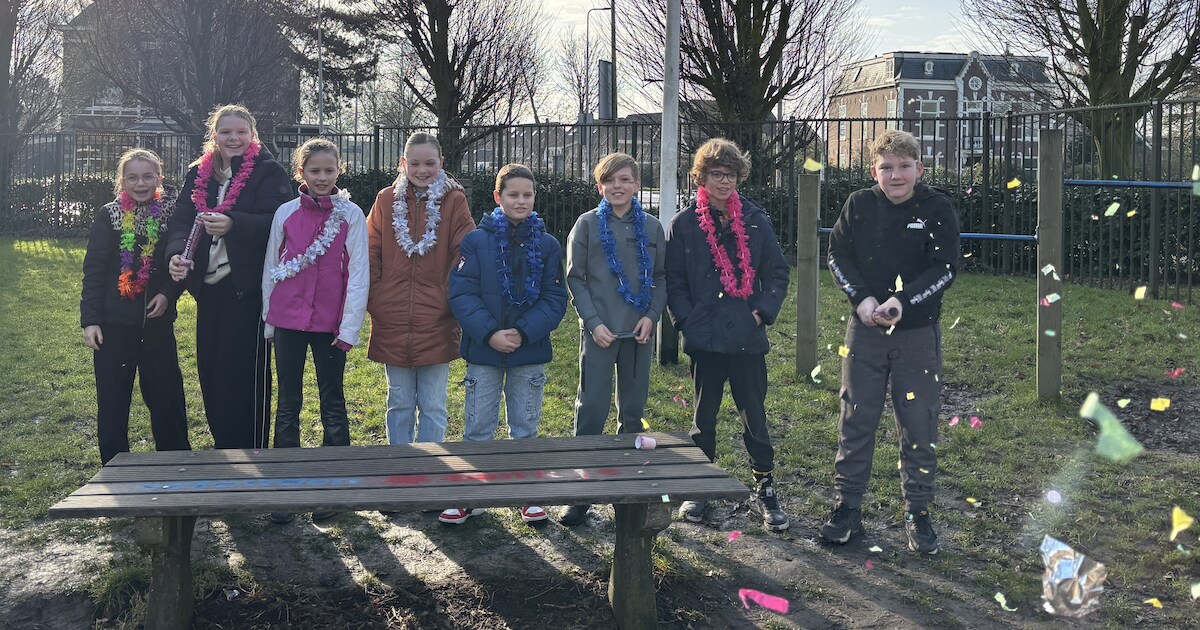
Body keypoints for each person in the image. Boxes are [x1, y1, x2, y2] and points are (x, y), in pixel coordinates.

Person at [819, 129, 960, 554]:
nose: (895, 175)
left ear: (919, 168)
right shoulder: (859, 205)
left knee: (918, 422)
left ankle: (918, 512)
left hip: (917, 335)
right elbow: (837, 255)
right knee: (856, 418)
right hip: (865, 333)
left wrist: (902, 302)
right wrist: (862, 300)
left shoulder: (937, 208)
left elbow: (945, 268)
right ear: (873, 171)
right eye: (886, 167)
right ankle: (847, 508)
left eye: (903, 166)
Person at [665, 138, 791, 531]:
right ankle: (699, 487)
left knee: (754, 414)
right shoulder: (684, 225)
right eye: (716, 174)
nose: (724, 182)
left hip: (747, 338)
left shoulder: (755, 219)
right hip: (706, 339)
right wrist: (687, 321)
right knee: (704, 417)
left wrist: (761, 313)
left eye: (731, 175)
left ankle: (766, 488)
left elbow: (777, 272)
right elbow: (674, 280)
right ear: (701, 177)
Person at [446, 163, 568, 525]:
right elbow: (462, 293)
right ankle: (472, 494)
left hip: (529, 352)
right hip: (484, 352)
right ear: (497, 197)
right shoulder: (476, 241)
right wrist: (490, 333)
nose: (520, 201)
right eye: (512, 195)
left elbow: (554, 297)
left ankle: (526, 492)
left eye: (527, 195)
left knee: (525, 426)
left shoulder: (547, 245)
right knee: (478, 426)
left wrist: (524, 332)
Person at [166, 104, 292, 449]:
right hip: (208, 290)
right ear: (214, 137)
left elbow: (280, 223)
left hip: (246, 290)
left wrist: (235, 223)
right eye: (226, 132)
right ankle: (225, 448)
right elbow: (180, 219)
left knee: (246, 376)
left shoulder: (268, 172)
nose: (233, 138)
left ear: (253, 135)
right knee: (212, 373)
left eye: (241, 131)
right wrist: (176, 254)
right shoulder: (199, 174)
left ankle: (252, 450)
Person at [261, 139, 368, 524]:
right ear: (300, 173)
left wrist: (349, 327)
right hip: (288, 321)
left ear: (339, 171)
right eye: (314, 171)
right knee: (287, 403)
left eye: (329, 170)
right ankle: (284, 490)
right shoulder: (285, 213)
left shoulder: (352, 215)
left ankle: (333, 488)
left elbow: (358, 274)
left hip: (330, 325)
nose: (322, 178)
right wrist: (269, 318)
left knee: (332, 401)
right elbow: (272, 265)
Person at [559, 152, 667, 527]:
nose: (618, 186)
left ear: (637, 184)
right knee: (591, 407)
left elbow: (661, 278)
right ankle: (582, 492)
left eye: (625, 180)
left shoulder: (652, 228)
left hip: (637, 335)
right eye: (610, 181)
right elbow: (576, 279)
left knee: (633, 412)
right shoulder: (587, 225)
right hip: (600, 332)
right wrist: (592, 322)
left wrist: (651, 317)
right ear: (599, 186)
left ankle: (628, 491)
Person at [81, 148, 191, 464]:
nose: (140, 183)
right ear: (122, 181)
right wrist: (91, 320)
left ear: (159, 178)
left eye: (147, 176)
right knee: (113, 401)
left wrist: (169, 294)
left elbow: (180, 264)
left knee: (167, 399)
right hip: (114, 327)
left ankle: (176, 465)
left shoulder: (171, 213)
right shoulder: (110, 215)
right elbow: (94, 270)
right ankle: (115, 468)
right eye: (133, 177)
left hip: (156, 326)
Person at [366, 132, 475, 449]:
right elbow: (371, 249)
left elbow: (464, 251)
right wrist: (377, 295)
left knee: (433, 403)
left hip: (437, 318)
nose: (422, 169)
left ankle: (430, 472)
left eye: (430, 163)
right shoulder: (386, 200)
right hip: (392, 316)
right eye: (414, 163)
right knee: (398, 401)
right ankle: (400, 469)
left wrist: (448, 295)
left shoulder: (454, 201)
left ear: (441, 163)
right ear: (403, 163)